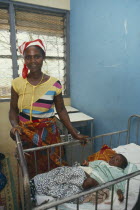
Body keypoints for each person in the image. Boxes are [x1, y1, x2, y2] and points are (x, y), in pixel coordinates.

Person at [9, 39, 88, 178]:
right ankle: (35, 196)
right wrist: (15, 125)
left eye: (37, 56)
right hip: (26, 134)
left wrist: (74, 133)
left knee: (55, 167)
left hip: (49, 134)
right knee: (31, 168)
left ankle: (56, 197)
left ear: (43, 58)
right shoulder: (17, 83)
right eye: (28, 57)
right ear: (24, 59)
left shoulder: (54, 84)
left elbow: (62, 110)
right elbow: (13, 110)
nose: (32, 60)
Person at [30, 153, 128, 204]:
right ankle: (37, 184)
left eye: (117, 160)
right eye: (113, 157)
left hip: (97, 185)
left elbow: (119, 185)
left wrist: (120, 195)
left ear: (121, 166)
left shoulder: (119, 172)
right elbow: (90, 164)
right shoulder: (102, 163)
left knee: (72, 193)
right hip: (86, 175)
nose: (113, 160)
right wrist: (86, 164)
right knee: (65, 173)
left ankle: (40, 195)